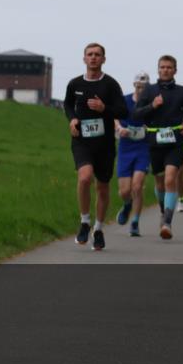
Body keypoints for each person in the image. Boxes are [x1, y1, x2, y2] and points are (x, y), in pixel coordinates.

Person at [63, 43, 128, 251]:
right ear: (84, 59)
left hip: (105, 143)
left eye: (97, 55)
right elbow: (67, 105)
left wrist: (104, 108)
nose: (93, 58)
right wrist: (72, 120)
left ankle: (98, 229)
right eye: (89, 55)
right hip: (82, 141)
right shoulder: (74, 84)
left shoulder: (110, 85)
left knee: (102, 186)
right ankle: (84, 221)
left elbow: (123, 111)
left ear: (103, 59)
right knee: (84, 177)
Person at [131, 55, 183, 240]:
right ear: (158, 69)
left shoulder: (182, 92)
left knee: (170, 179)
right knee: (159, 183)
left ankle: (167, 222)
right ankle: (162, 209)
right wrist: (153, 105)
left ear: (175, 70)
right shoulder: (149, 91)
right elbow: (136, 115)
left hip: (175, 141)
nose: (165, 70)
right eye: (162, 67)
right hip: (155, 141)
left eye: (169, 67)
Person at [114, 72, 151, 236]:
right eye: (138, 85)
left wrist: (148, 128)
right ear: (134, 85)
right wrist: (119, 128)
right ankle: (127, 205)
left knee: (137, 186)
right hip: (125, 147)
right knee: (124, 191)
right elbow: (114, 117)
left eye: (143, 86)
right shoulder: (124, 100)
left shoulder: (151, 103)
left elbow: (156, 120)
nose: (140, 88)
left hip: (143, 147)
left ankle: (135, 222)